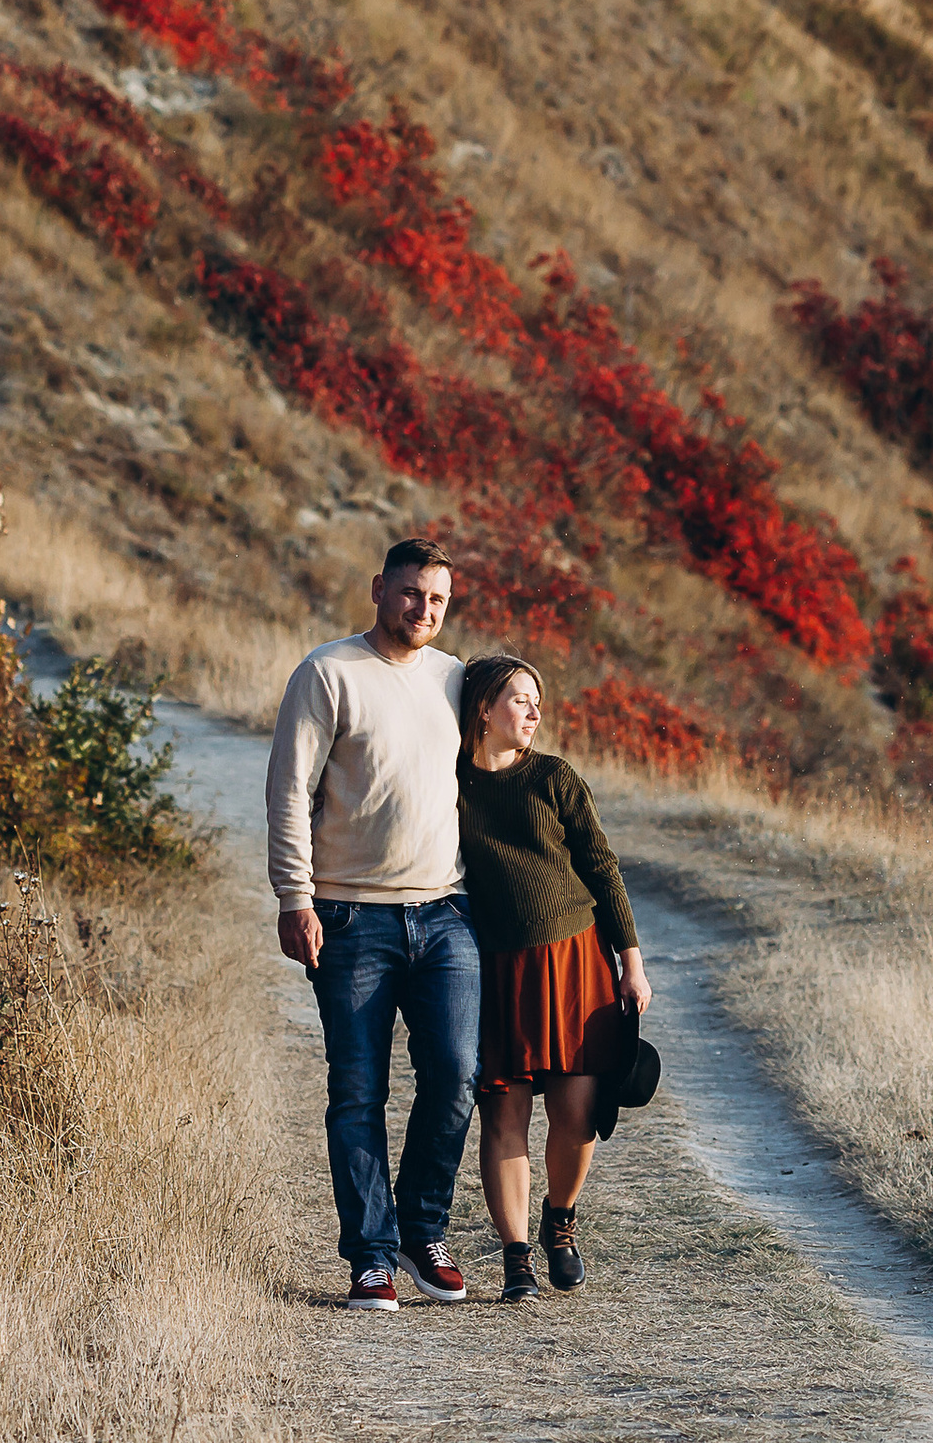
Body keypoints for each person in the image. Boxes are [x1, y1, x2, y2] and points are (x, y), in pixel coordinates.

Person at [266, 537, 480, 1312]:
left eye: (437, 600)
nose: (423, 610)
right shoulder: (328, 673)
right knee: (357, 1091)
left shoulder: (456, 679)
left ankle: (424, 1233)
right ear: (378, 590)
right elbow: (289, 790)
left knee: (456, 1075)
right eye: (411, 594)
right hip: (351, 915)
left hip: (446, 914)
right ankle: (371, 1258)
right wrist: (295, 898)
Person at [457, 651, 651, 1302]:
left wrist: (630, 960)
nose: (535, 712)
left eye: (537, 700)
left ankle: (559, 1220)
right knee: (503, 1117)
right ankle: (516, 1259)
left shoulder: (554, 778)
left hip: (575, 964)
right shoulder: (449, 781)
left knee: (577, 1116)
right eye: (520, 699)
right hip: (497, 973)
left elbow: (601, 866)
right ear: (484, 708)